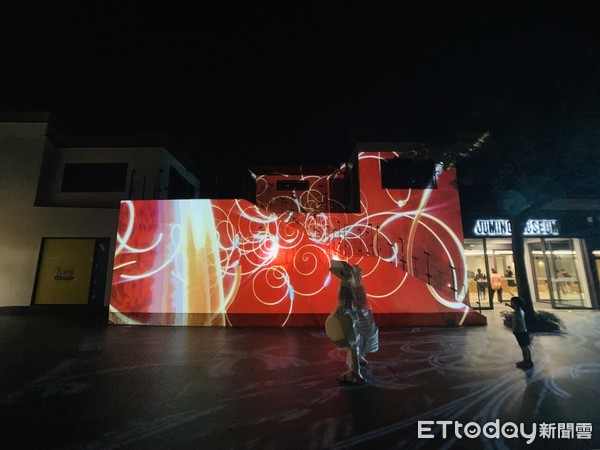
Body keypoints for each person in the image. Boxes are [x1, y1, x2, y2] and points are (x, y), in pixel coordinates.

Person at [325, 261, 365, 384]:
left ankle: (355, 369)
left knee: (354, 343)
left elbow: (351, 303)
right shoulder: (344, 286)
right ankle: (355, 371)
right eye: (346, 273)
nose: (349, 275)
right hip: (345, 316)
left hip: (348, 316)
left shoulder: (346, 285)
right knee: (353, 344)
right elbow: (346, 304)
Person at [351, 264, 379, 366]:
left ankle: (360, 356)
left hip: (363, 313)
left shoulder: (360, 287)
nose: (360, 276)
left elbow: (364, 301)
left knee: (366, 334)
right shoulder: (349, 287)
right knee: (357, 335)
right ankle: (357, 357)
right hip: (355, 314)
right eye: (358, 275)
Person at [509, 296, 533, 369]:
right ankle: (529, 361)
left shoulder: (517, 313)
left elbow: (516, 323)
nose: (511, 304)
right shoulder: (520, 310)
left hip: (520, 332)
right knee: (525, 347)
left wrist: (514, 330)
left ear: (515, 304)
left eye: (512, 303)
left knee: (524, 348)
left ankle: (526, 362)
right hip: (523, 331)